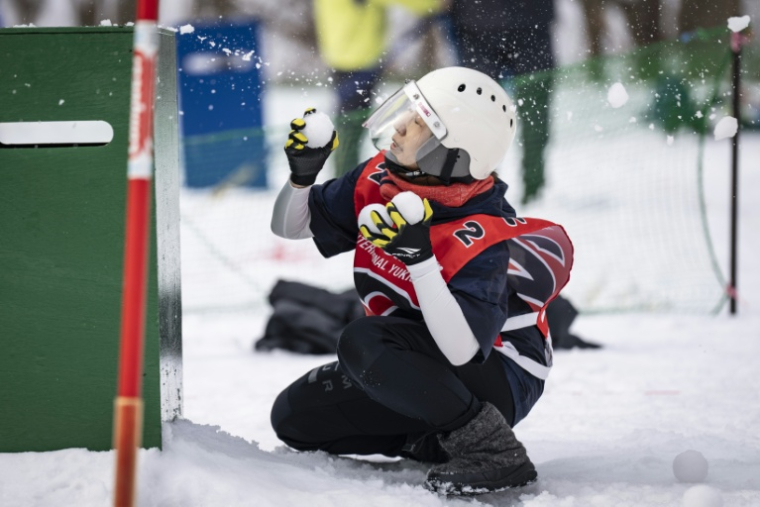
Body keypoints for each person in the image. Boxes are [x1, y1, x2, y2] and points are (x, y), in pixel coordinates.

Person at [269, 66, 573, 495]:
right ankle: (432, 438)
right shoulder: (384, 176)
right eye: (407, 112)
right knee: (293, 419)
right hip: (415, 352)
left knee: (363, 341)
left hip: (499, 375)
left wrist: (421, 259)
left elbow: (463, 349)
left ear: (449, 154)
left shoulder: (482, 234)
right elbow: (293, 227)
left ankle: (492, 451)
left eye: (418, 123)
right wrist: (302, 176)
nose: (399, 126)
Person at [313, 0, 443, 177]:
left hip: (341, 54)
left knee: (349, 124)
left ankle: (343, 178)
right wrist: (435, 3)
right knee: (351, 126)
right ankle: (343, 180)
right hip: (357, 57)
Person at [449, 0, 555, 204]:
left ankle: (533, 192)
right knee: (480, 118)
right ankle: (481, 192)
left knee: (530, 114)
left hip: (516, 24)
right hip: (483, 26)